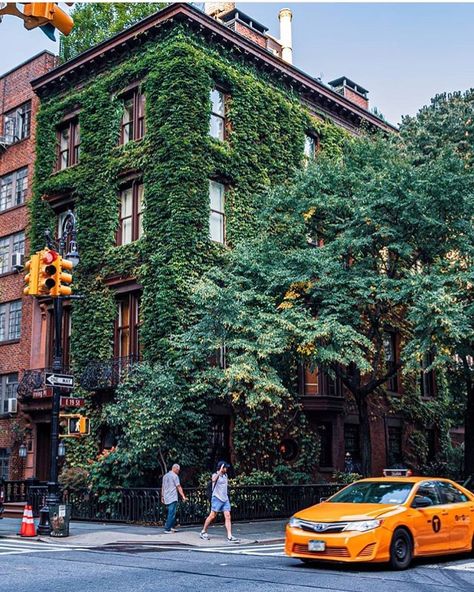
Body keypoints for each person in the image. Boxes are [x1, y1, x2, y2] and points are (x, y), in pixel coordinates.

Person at [200, 461, 239, 543]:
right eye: (225, 467)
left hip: (225, 499)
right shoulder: (215, 475)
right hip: (217, 498)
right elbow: (213, 479)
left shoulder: (225, 475)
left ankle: (229, 536)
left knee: (228, 516)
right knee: (212, 516)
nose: (226, 469)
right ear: (221, 467)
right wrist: (219, 471)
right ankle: (203, 531)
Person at [161, 463, 187, 534]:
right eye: (178, 470)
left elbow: (163, 487)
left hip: (166, 496)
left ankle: (172, 527)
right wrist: (183, 496)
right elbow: (178, 487)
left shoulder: (165, 476)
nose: (178, 471)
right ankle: (167, 528)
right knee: (171, 513)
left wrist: (162, 496)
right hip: (172, 496)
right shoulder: (175, 476)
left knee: (172, 512)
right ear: (175, 468)